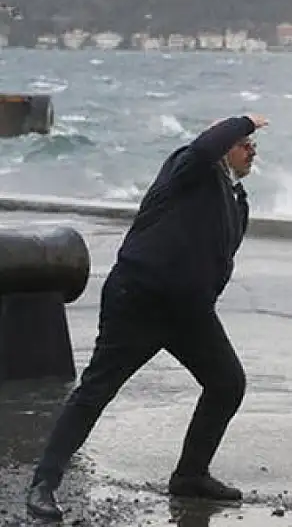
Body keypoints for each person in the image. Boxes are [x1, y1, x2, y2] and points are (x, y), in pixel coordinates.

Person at [26, 114, 268, 520]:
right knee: (95, 392)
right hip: (138, 300)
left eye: (252, 144)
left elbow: (220, 256)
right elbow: (206, 145)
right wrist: (243, 120)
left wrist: (205, 294)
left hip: (189, 312)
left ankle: (190, 475)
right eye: (244, 143)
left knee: (227, 383)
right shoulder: (189, 166)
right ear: (224, 144)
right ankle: (43, 484)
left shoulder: (235, 198)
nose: (252, 149)